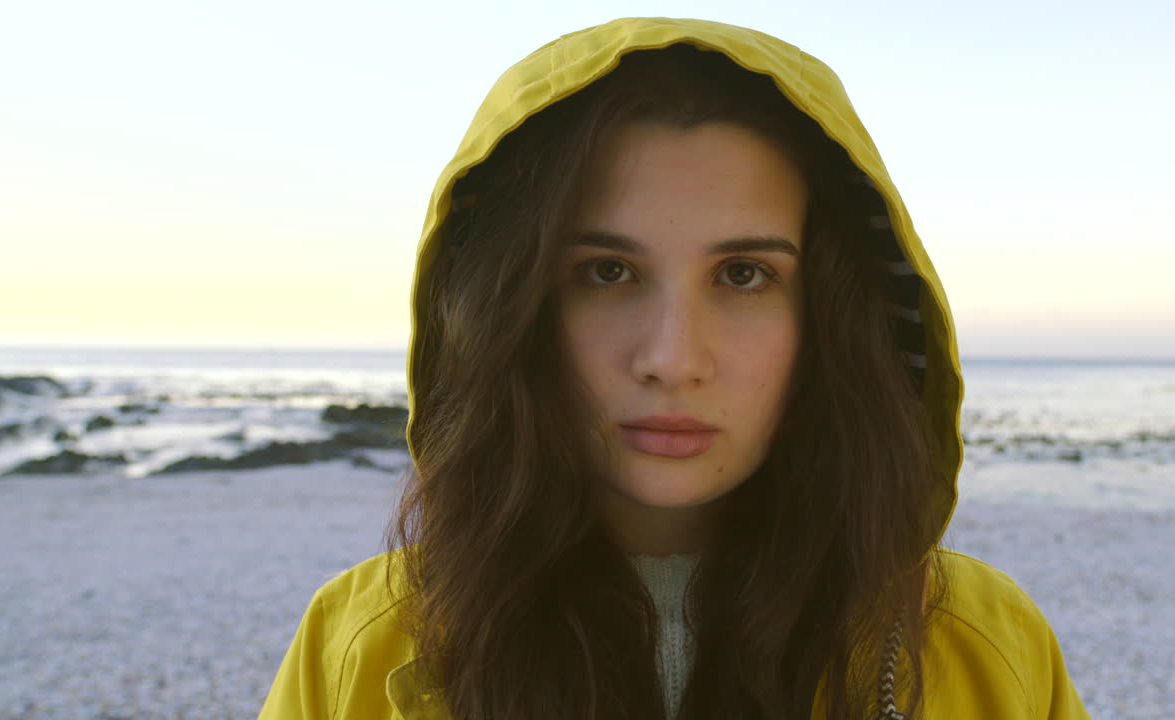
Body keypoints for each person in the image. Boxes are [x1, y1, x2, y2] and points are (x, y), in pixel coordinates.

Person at [259, 17, 1089, 720]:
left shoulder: (986, 642)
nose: (672, 359)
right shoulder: (359, 641)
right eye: (607, 273)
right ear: (510, 308)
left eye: (743, 275)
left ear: (830, 317)